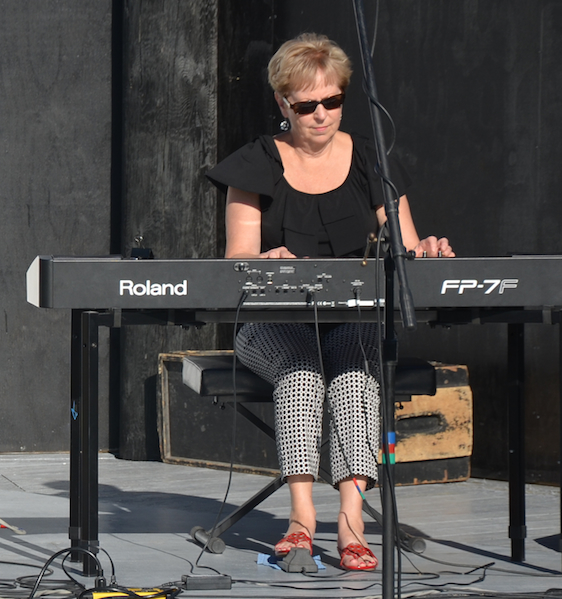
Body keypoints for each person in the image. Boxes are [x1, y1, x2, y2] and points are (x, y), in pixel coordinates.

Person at [206, 33, 454, 571]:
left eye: (332, 101)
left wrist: (427, 252)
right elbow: (236, 260)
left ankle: (351, 521)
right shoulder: (254, 164)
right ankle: (301, 518)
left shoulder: (371, 159)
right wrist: (263, 260)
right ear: (283, 104)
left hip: (353, 322)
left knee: (355, 375)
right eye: (306, 105)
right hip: (273, 326)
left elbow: (405, 247)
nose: (320, 115)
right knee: (301, 372)